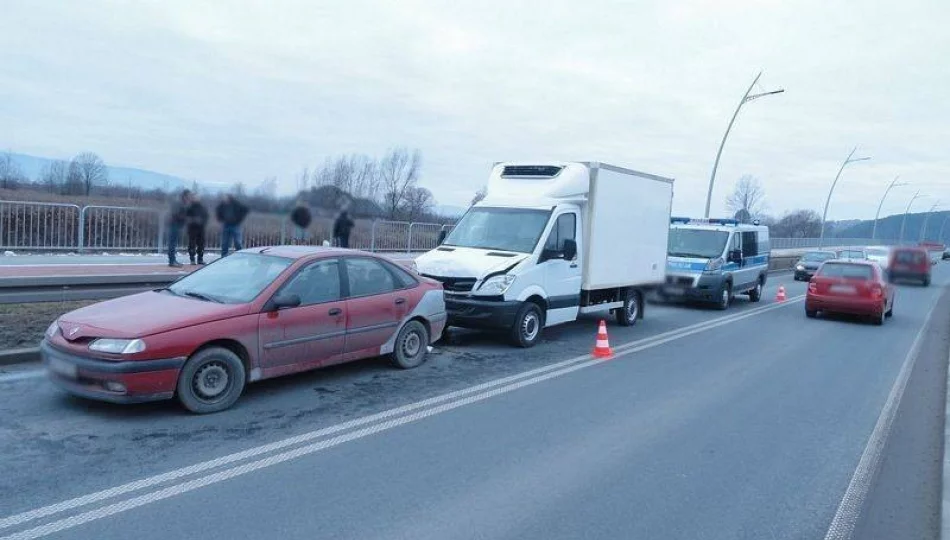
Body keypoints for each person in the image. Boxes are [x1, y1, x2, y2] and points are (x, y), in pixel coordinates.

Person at [166, 190, 192, 268]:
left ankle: (173, 260)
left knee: (173, 243)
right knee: (172, 243)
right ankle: (172, 261)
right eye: (189, 196)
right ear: (185, 196)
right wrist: (185, 218)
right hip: (175, 224)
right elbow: (175, 214)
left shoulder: (182, 203)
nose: (189, 198)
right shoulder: (179, 203)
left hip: (177, 224)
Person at [186, 194, 209, 265]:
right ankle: (192, 259)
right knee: (192, 244)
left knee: (201, 244)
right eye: (195, 198)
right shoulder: (189, 207)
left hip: (201, 228)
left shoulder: (202, 207)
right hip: (192, 228)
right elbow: (186, 217)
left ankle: (200, 259)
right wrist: (194, 220)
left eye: (197, 198)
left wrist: (202, 221)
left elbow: (206, 216)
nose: (196, 199)